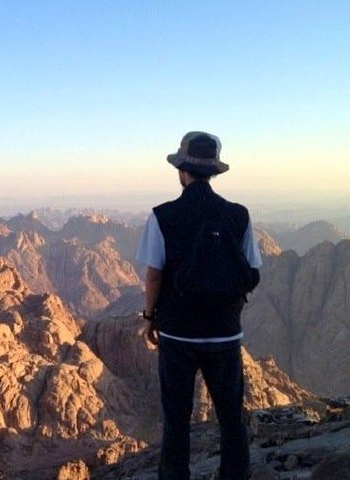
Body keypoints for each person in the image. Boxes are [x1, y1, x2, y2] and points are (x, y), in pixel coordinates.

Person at [135, 131, 262, 480]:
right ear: (214, 172)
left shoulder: (163, 216)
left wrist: (150, 317)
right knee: (231, 416)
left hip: (177, 334)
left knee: (177, 417)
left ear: (182, 170)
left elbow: (154, 276)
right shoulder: (239, 215)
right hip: (225, 333)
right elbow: (251, 269)